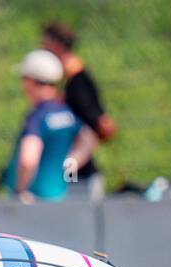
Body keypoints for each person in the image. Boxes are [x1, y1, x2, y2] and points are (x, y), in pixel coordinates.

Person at [41, 21, 116, 200]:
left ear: (57, 46)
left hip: (79, 176)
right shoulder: (68, 82)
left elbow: (103, 125)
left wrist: (73, 160)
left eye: (45, 46)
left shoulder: (77, 84)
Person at [1, 50, 81, 203]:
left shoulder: (38, 116)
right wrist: (66, 166)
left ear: (31, 81)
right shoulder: (66, 112)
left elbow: (28, 159)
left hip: (33, 199)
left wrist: (21, 190)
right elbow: (88, 139)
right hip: (58, 196)